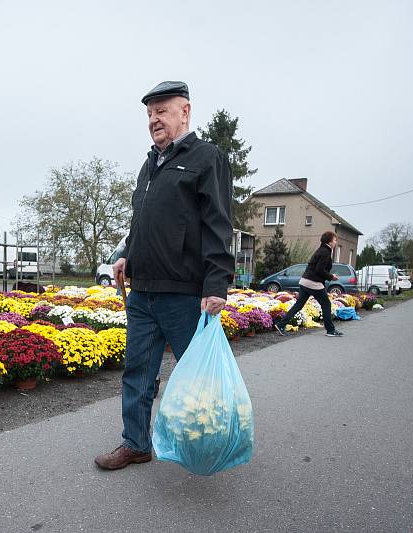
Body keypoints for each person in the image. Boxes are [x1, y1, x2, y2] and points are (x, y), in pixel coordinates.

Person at [94, 81, 234, 471]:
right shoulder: (150, 164)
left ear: (185, 112)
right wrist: (126, 256)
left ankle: (209, 443)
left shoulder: (207, 157)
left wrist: (216, 284)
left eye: (162, 110)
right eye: (150, 113)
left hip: (185, 293)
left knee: (197, 377)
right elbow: (142, 222)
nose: (154, 119)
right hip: (143, 292)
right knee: (137, 372)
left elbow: (218, 225)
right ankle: (136, 443)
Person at [274, 231, 344, 337]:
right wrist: (331, 277)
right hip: (313, 283)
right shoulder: (325, 252)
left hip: (305, 281)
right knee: (326, 304)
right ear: (329, 241)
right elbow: (319, 269)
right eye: (334, 240)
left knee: (299, 305)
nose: (335, 242)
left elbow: (316, 267)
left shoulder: (322, 250)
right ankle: (330, 330)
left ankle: (281, 325)